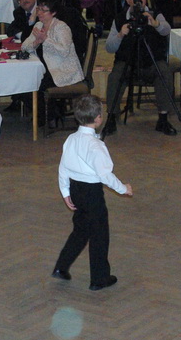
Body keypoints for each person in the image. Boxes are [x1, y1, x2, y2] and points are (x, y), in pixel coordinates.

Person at [52, 94, 132, 291]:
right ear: (98, 118)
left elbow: (63, 168)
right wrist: (123, 189)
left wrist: (65, 192)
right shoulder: (96, 146)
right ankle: (99, 278)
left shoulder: (71, 139)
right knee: (99, 235)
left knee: (80, 230)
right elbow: (105, 175)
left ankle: (61, 267)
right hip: (92, 193)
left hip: (75, 189)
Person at [102, 0, 176, 137]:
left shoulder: (155, 14)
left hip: (151, 61)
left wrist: (155, 24)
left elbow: (167, 30)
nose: (139, 0)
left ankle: (163, 119)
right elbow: (109, 47)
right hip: (127, 62)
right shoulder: (120, 18)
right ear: (128, 0)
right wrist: (120, 34)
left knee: (164, 72)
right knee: (115, 76)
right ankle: (111, 117)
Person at [22, 0, 86, 97]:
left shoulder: (61, 27)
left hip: (62, 71)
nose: (39, 13)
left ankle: (44, 107)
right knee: (23, 81)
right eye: (38, 9)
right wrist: (36, 42)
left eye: (44, 10)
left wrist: (46, 39)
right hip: (44, 68)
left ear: (53, 12)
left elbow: (64, 51)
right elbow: (24, 47)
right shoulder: (39, 25)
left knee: (33, 86)